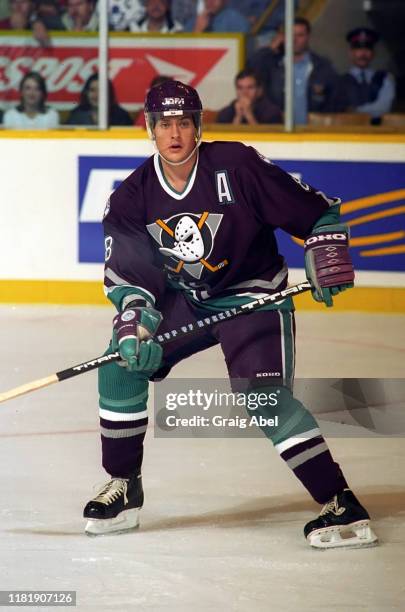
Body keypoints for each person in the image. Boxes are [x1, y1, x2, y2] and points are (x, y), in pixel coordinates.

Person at [82, 79, 378, 550]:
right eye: (164, 124)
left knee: (263, 397)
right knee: (120, 366)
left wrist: (325, 249)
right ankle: (124, 485)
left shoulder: (236, 165)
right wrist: (135, 326)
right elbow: (134, 281)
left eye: (183, 123)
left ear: (198, 126)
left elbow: (317, 214)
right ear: (149, 128)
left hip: (251, 294)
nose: (174, 134)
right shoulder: (130, 198)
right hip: (190, 299)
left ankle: (339, 500)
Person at [247, 17, 338, 124]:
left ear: (308, 37)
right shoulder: (272, 65)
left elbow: (335, 101)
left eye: (300, 35)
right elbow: (250, 68)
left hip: (314, 133)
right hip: (278, 131)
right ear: (283, 37)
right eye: (290, 35)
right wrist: (270, 49)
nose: (294, 40)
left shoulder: (322, 66)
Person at [331, 27, 396, 123]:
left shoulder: (384, 78)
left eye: (367, 48)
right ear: (351, 53)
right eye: (358, 49)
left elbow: (383, 107)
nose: (363, 54)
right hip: (347, 133)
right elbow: (335, 111)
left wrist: (355, 111)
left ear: (373, 53)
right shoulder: (339, 82)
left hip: (378, 133)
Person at [217, 68, 282, 125]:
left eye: (250, 87)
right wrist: (238, 117)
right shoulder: (226, 112)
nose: (244, 93)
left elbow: (267, 138)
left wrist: (249, 115)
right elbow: (223, 138)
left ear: (260, 90)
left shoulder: (272, 113)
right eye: (240, 88)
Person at [65, 74, 132, 126]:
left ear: (109, 93)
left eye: (101, 90)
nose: (96, 95)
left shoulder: (122, 117)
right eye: (92, 90)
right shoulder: (76, 115)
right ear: (86, 93)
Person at [184, 0, 249, 33]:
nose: (210, 1)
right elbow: (184, 54)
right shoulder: (193, 22)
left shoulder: (237, 21)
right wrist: (197, 30)